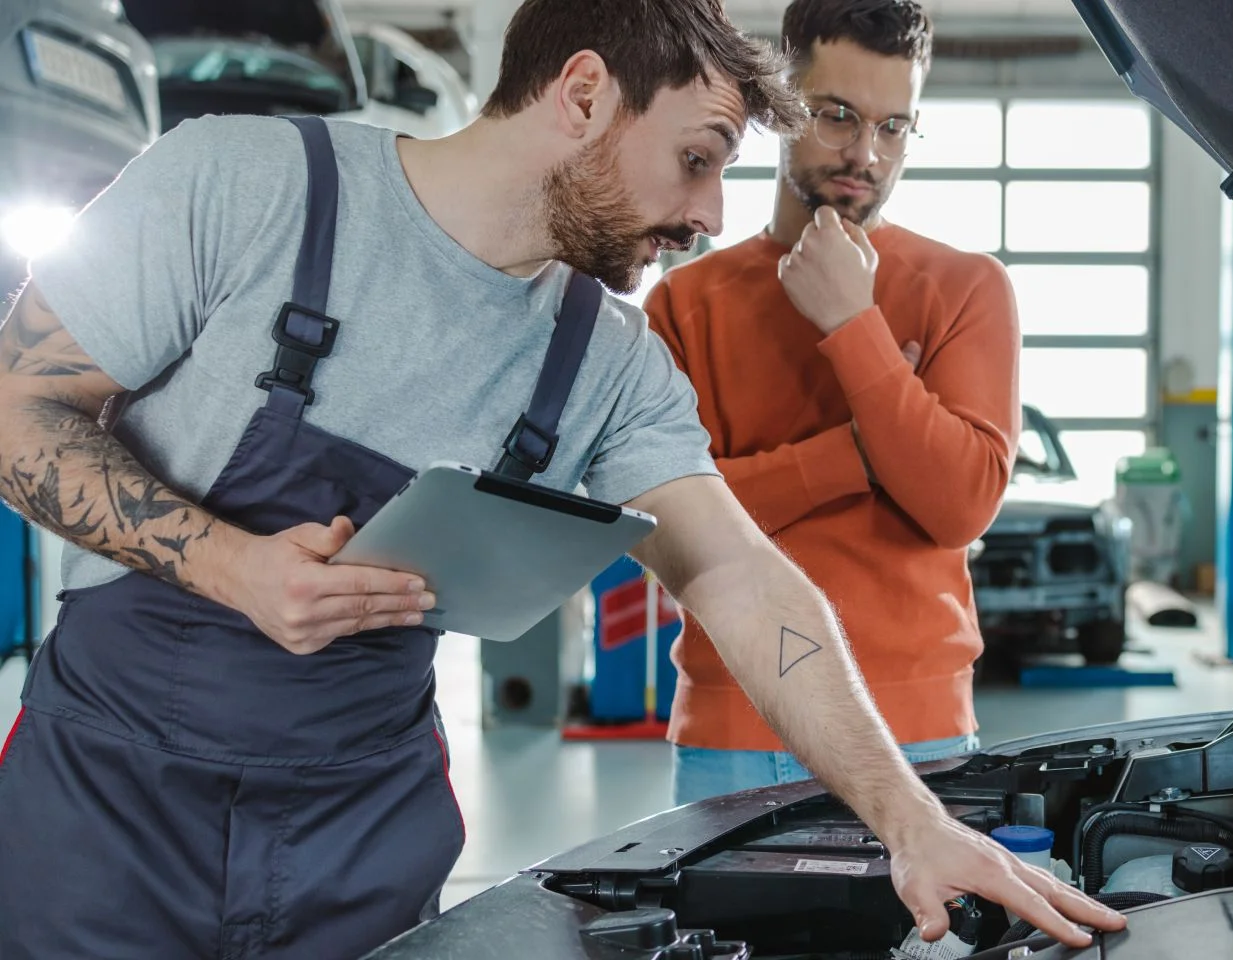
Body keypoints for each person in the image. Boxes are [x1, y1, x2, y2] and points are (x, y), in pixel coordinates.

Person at [0, 1, 1121, 956]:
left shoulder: (605, 359)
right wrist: (231, 566)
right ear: (582, 95)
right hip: (110, 805)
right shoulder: (243, 184)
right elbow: (15, 409)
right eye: (695, 158)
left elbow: (738, 576)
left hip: (359, 830)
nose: (710, 217)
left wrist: (907, 815)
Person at [647, 0, 1021, 806]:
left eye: (895, 128)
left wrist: (853, 324)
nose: (866, 153)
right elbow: (672, 530)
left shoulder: (966, 288)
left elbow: (958, 504)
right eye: (838, 116)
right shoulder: (683, 305)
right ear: (779, 102)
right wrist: (859, 452)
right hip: (734, 731)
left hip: (920, 734)